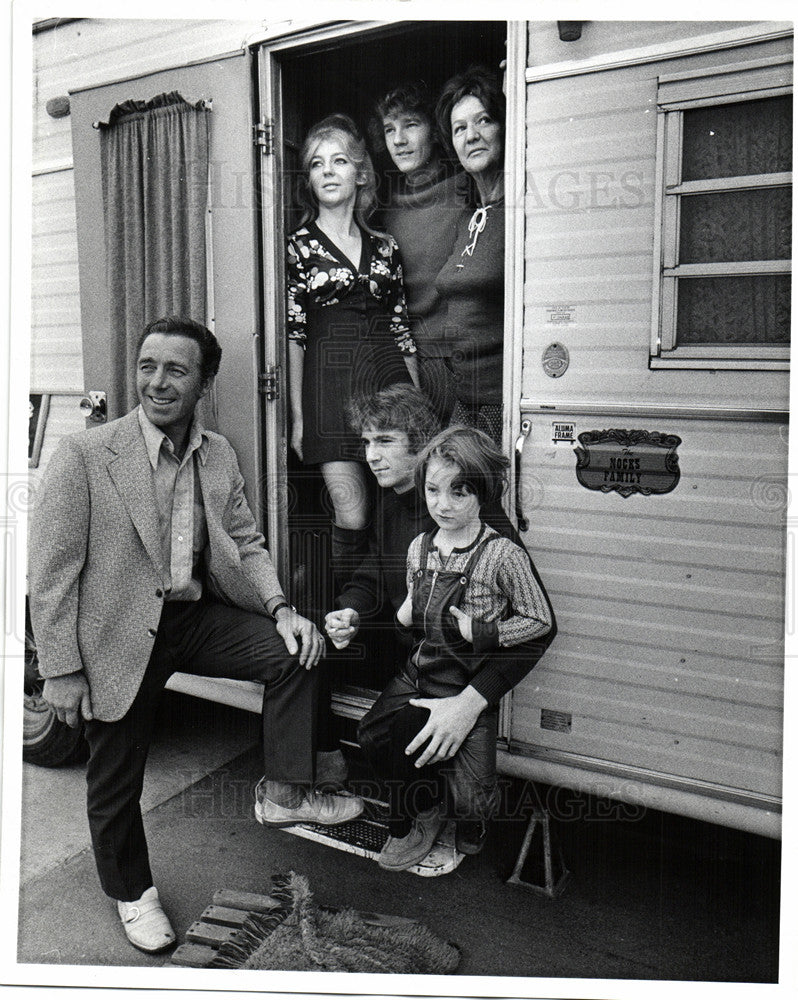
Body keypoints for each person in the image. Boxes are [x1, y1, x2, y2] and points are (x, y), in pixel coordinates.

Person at [28, 316, 363, 955]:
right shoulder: (86, 453)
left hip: (189, 617)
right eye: (147, 365)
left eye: (176, 370)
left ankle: (286, 791)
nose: (157, 382)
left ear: (203, 383)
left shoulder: (216, 453)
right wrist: (61, 668)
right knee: (116, 772)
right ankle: (133, 892)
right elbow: (50, 575)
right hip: (120, 630)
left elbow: (243, 540)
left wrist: (282, 608)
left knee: (297, 651)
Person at [324, 385, 555, 862]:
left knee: (462, 781)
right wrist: (350, 609)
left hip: (467, 673)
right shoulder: (393, 500)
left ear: (422, 442)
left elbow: (538, 630)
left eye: (384, 441)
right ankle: (423, 810)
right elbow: (375, 571)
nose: (371, 457)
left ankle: (457, 811)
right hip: (419, 653)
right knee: (378, 732)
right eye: (366, 443)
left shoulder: (480, 524)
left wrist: (471, 703)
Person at [287, 113, 419, 582]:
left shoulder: (386, 246)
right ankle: (336, 617)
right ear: (309, 179)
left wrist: (416, 407)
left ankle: (389, 622)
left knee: (400, 513)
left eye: (339, 160)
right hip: (329, 389)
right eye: (317, 163)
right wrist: (300, 417)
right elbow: (294, 333)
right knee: (353, 515)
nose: (327, 170)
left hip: (390, 387)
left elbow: (403, 329)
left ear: (359, 172)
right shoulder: (296, 248)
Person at [369, 82, 467, 421]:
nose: (398, 140)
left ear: (436, 132)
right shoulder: (383, 213)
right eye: (389, 129)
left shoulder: (467, 194)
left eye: (411, 124)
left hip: (458, 361)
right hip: (403, 363)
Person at [434, 66, 506, 445]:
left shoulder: (518, 213)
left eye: (484, 121)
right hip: (463, 401)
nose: (472, 135)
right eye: (460, 128)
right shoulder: (467, 218)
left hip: (501, 402)